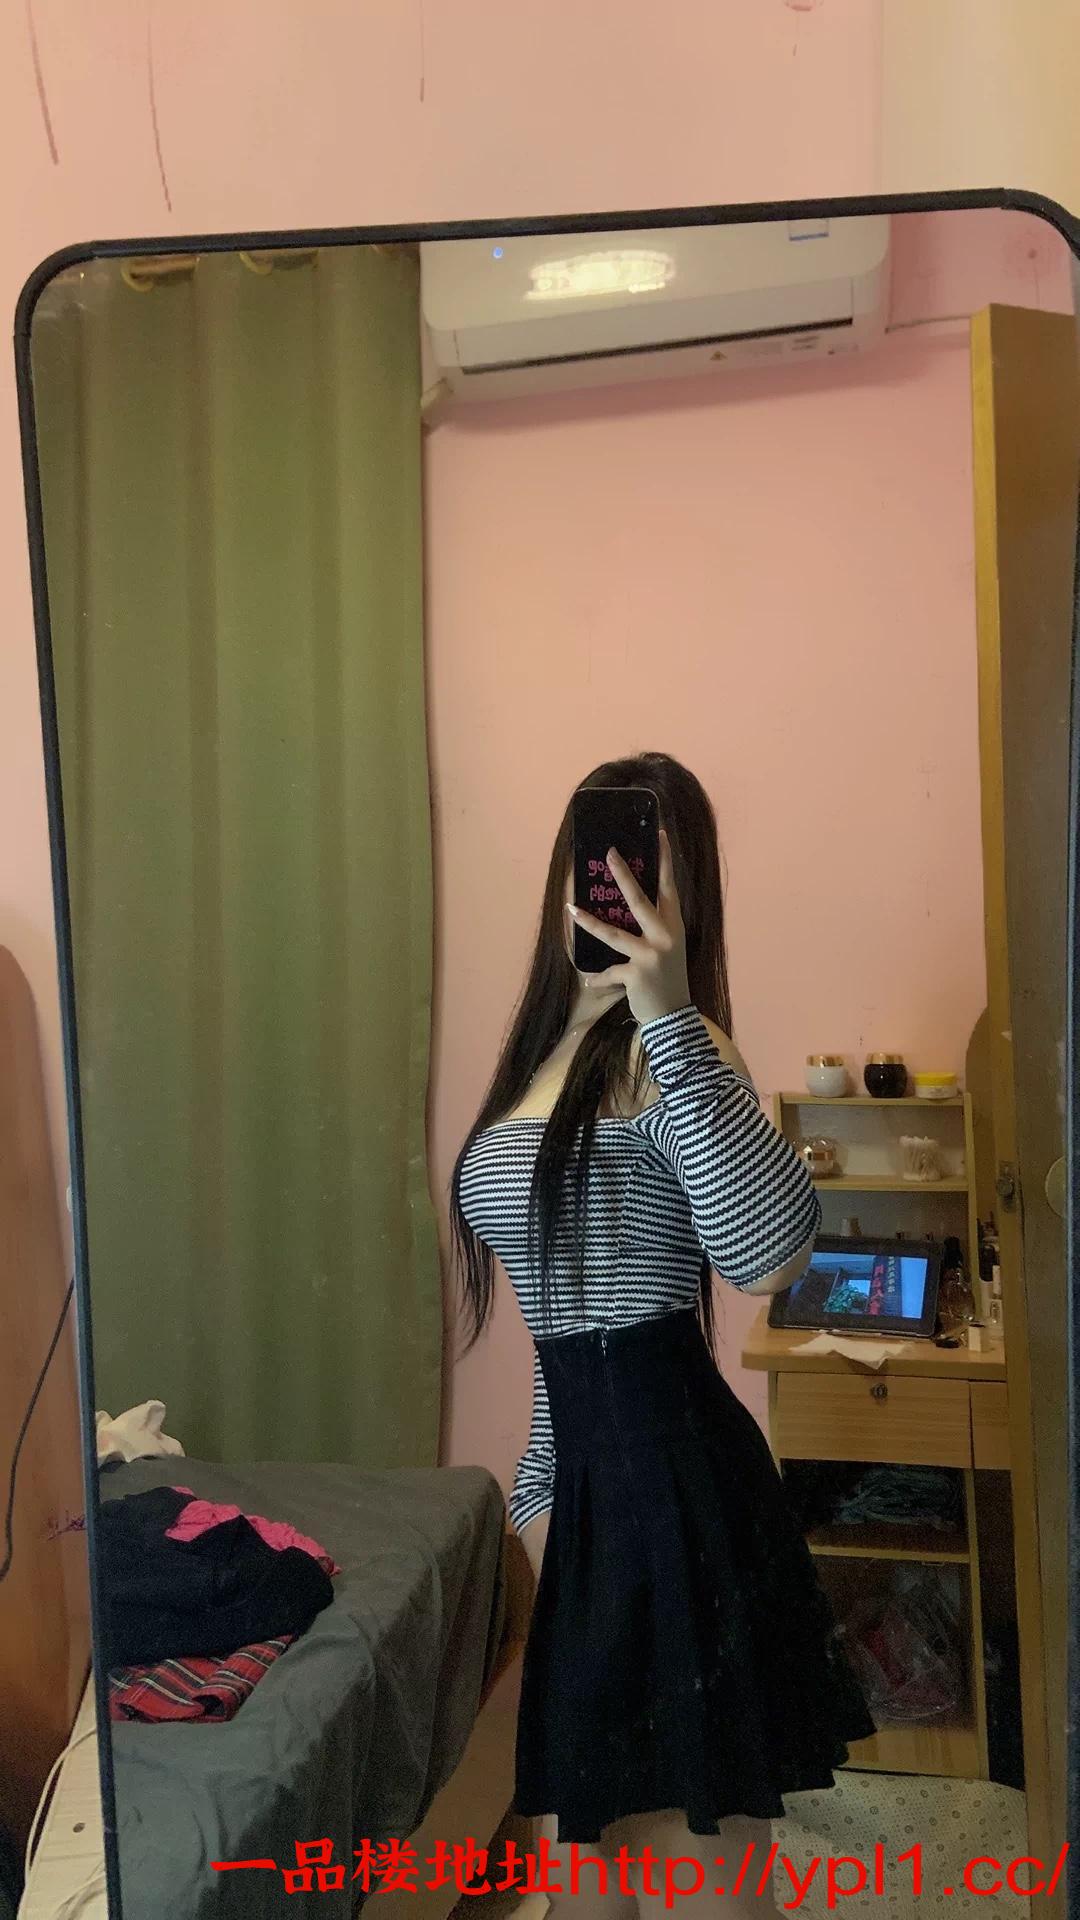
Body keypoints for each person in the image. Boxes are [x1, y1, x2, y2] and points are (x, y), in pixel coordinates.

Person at [451, 753, 873, 1919]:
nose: (620, 888)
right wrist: (540, 1494)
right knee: (580, 1885)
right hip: (582, 1499)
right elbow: (555, 1324)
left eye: (651, 867)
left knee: (697, 1884)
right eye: (601, 861)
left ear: (690, 893)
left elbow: (769, 1257)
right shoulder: (538, 1058)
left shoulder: (682, 1050)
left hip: (685, 1502)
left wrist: (672, 1015)